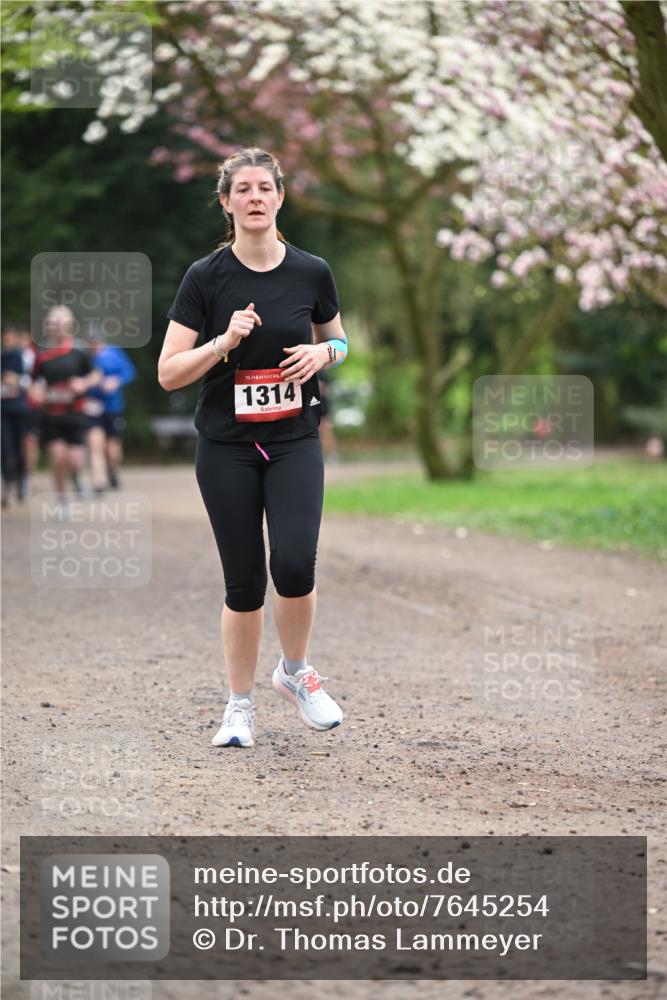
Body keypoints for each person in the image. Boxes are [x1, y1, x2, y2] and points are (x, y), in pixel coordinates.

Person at [158, 146, 349, 749]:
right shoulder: (205, 277)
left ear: (280, 197)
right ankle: (238, 707)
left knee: (293, 565)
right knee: (243, 582)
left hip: (295, 438)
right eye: (242, 189)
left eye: (264, 187)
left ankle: (295, 674)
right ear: (226, 203)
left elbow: (340, 343)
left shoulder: (311, 271)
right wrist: (222, 341)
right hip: (227, 445)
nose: (255, 198)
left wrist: (327, 354)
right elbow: (168, 372)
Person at [29, 305, 101, 516]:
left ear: (69, 325)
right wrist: (36, 394)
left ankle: (78, 478)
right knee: (58, 458)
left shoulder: (79, 350)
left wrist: (83, 383)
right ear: (48, 327)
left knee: (75, 460)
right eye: (53, 322)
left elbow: (96, 374)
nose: (58, 326)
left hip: (75, 414)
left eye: (62, 322)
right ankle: (62, 502)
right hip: (52, 415)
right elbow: (33, 383)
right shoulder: (42, 355)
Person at [84, 328, 136, 492]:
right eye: (91, 344)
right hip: (92, 407)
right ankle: (99, 480)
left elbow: (130, 372)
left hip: (113, 407)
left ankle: (112, 470)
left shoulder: (114, 353)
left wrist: (116, 380)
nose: (94, 346)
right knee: (95, 443)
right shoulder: (86, 358)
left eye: (96, 343)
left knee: (112, 448)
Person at [1, 324, 30, 507]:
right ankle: (8, 484)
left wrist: (17, 379)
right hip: (2, 409)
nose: (7, 340)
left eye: (10, 337)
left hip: (19, 409)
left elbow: (33, 381)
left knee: (19, 448)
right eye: (5, 337)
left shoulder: (24, 356)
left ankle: (22, 479)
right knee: (4, 448)